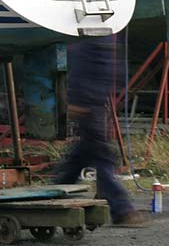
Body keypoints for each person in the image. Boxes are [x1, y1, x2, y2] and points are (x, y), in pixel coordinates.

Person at [54, 35, 147, 227]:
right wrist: (80, 102)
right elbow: (84, 69)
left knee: (81, 157)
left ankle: (55, 192)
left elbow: (103, 70)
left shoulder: (98, 38)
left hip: (93, 103)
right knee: (102, 157)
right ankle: (122, 210)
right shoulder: (94, 38)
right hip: (90, 104)